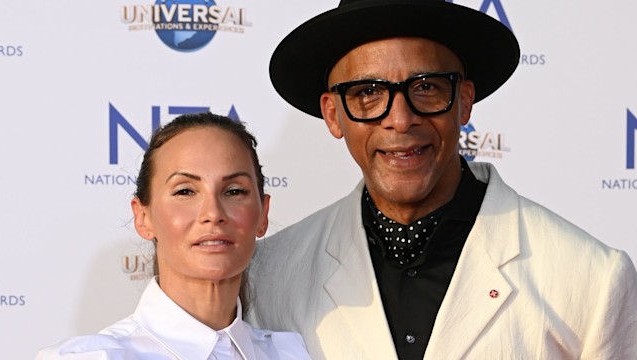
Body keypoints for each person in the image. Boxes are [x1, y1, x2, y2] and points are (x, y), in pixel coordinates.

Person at [247, 0, 637, 359]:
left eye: (426, 88)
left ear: (465, 101)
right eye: (368, 92)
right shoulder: (269, 276)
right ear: (333, 114)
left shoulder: (591, 279)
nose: (400, 119)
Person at [37, 113, 311, 359]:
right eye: (185, 191)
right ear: (143, 217)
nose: (213, 213)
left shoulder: (291, 353)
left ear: (263, 215)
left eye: (234, 191)